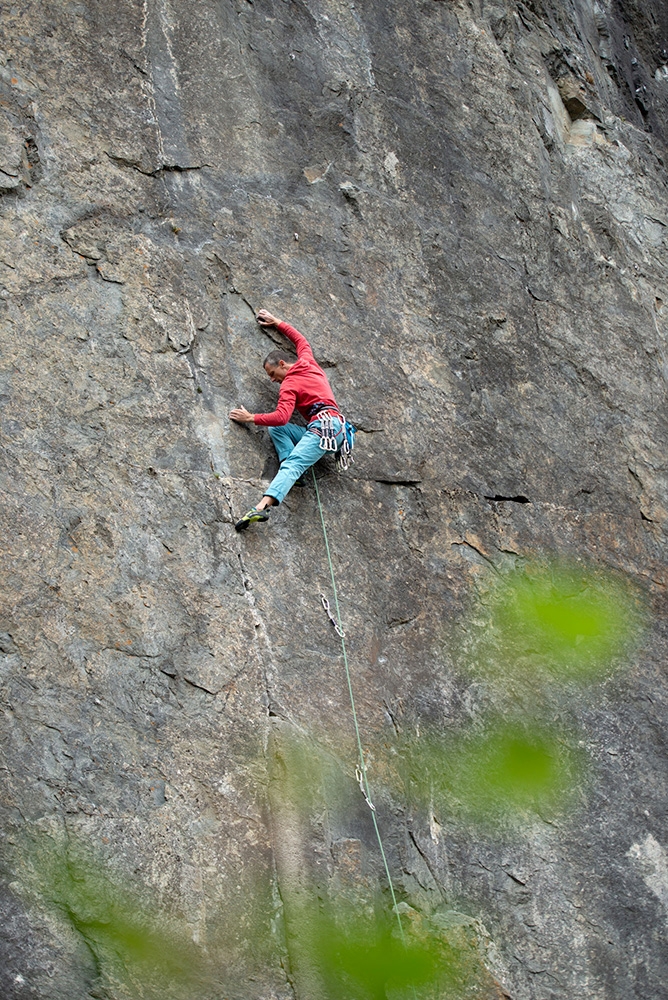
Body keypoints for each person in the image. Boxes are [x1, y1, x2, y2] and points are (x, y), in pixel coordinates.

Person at [229, 309, 350, 531]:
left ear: (282, 363)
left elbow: (281, 415)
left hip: (323, 428)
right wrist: (277, 322)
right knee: (278, 430)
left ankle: (262, 506)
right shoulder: (308, 362)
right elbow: (300, 340)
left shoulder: (289, 386)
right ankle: (297, 473)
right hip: (339, 431)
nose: (273, 380)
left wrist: (251, 417)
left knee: (292, 463)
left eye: (272, 374)